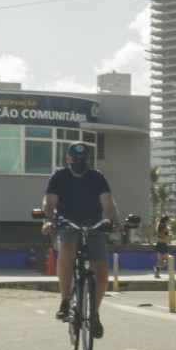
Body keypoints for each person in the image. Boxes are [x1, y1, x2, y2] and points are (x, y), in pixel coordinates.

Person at [43, 142, 121, 333]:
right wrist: (48, 220)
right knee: (67, 246)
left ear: (88, 160)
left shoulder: (97, 178)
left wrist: (116, 220)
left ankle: (94, 313)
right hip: (66, 225)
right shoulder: (59, 177)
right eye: (76, 159)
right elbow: (49, 201)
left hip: (93, 226)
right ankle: (64, 301)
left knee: (101, 267)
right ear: (68, 159)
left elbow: (108, 203)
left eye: (83, 159)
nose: (80, 162)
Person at [154, 212, 172, 279]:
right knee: (168, 261)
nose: (169, 222)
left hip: (158, 244)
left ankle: (157, 272)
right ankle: (157, 268)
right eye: (168, 220)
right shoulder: (166, 228)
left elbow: (159, 235)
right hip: (163, 244)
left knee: (160, 261)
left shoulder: (158, 226)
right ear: (166, 221)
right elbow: (165, 236)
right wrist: (169, 235)